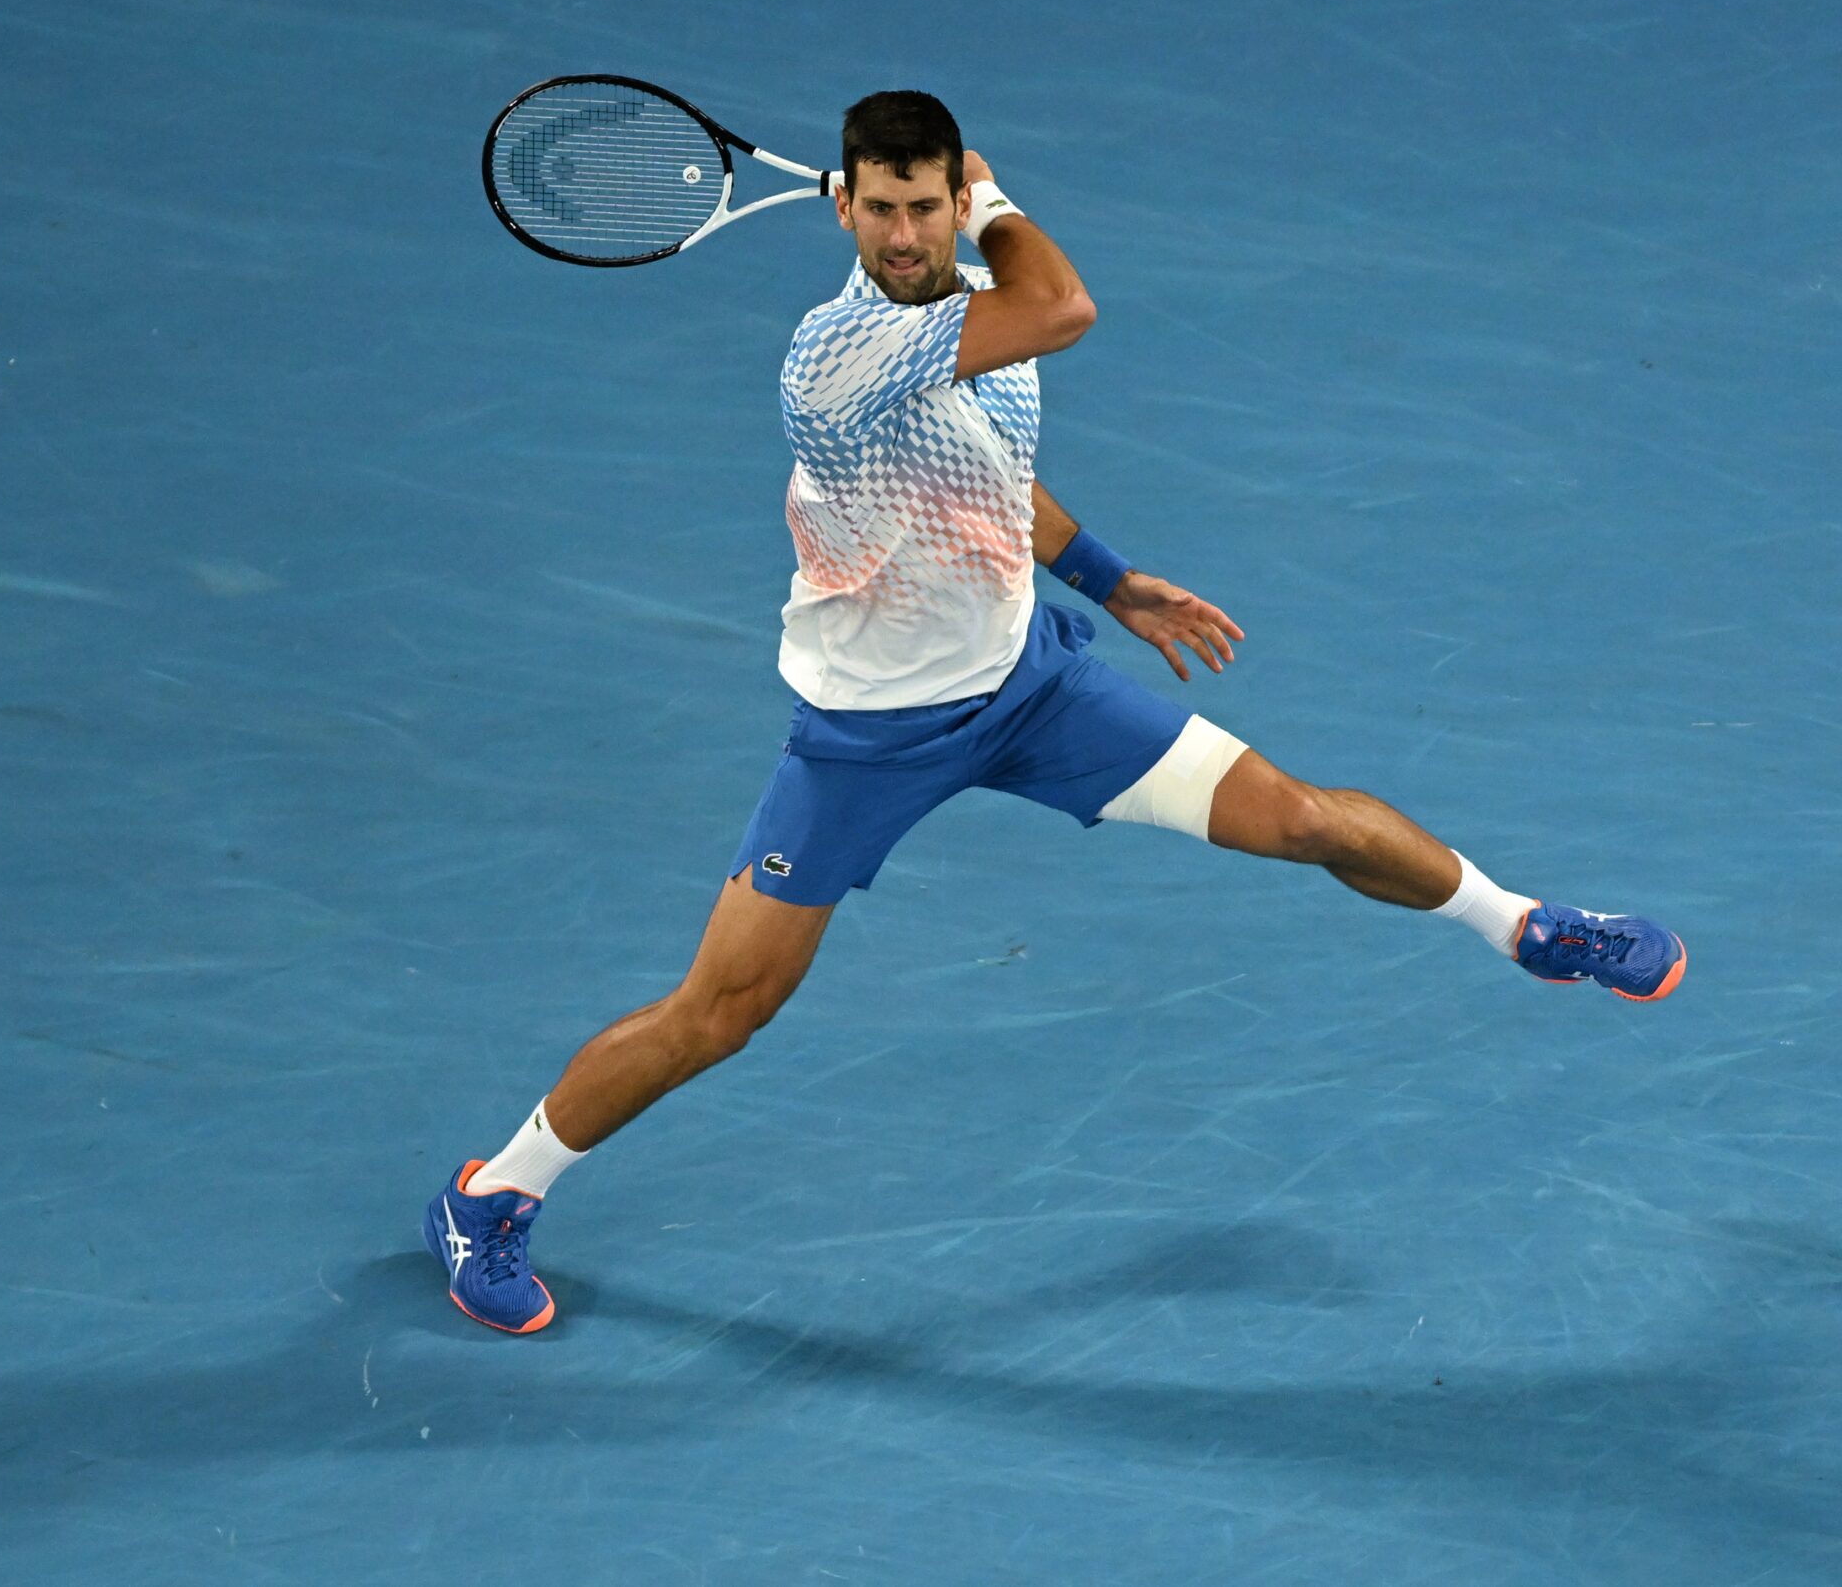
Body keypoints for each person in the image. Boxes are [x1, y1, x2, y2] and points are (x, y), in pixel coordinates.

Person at [424, 90, 1685, 1333]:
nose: (903, 236)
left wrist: (1110, 581)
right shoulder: (836, 353)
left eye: (925, 208)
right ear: (844, 208)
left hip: (1032, 689)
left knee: (1302, 818)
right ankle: (489, 1194)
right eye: (881, 210)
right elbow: (1064, 305)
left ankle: (1526, 926)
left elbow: (993, 474)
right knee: (722, 1011)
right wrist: (993, 199)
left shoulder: (980, 326)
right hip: (870, 736)